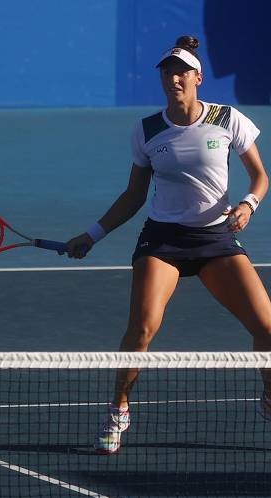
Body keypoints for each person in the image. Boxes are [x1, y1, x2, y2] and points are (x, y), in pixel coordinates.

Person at [65, 36, 271, 455]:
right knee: (142, 328)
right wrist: (92, 234)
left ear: (198, 78)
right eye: (166, 72)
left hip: (215, 238)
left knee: (268, 328)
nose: (173, 78)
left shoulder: (228, 119)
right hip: (163, 240)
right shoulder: (147, 130)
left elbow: (260, 178)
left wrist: (248, 205)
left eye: (181, 72)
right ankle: (118, 409)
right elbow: (133, 196)